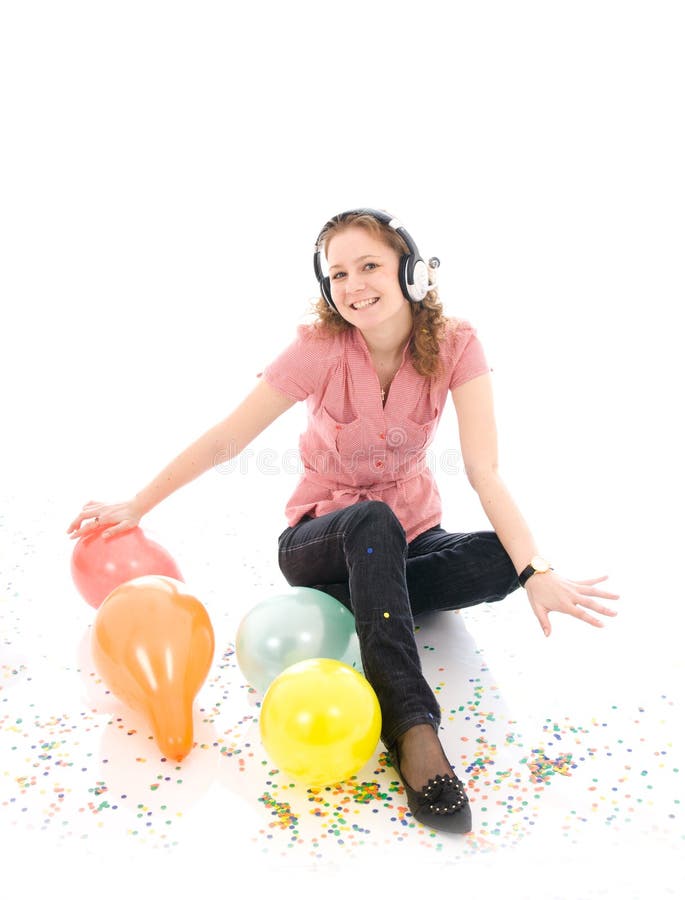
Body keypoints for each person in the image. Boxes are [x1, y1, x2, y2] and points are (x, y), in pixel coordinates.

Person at [67, 207, 619, 834]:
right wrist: (136, 504)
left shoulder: (457, 342)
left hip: (413, 539)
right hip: (321, 539)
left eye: (370, 266)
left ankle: (366, 595)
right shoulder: (318, 348)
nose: (353, 285)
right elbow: (230, 436)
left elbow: (484, 470)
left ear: (409, 270)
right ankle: (411, 729)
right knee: (370, 520)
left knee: (501, 558)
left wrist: (535, 569)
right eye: (338, 274)